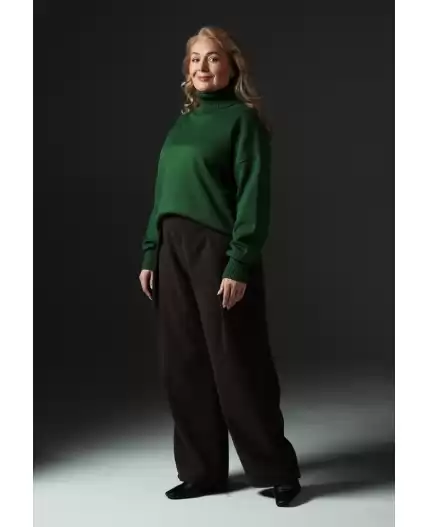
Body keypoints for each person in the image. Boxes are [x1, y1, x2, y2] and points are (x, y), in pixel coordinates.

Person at [138, 26, 301, 507]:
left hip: (217, 248)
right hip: (171, 249)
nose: (202, 67)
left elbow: (254, 195)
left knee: (237, 360)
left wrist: (239, 260)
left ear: (232, 66)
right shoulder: (182, 124)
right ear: (187, 69)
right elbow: (163, 194)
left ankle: (275, 468)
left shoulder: (242, 121)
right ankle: (202, 471)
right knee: (183, 363)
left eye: (212, 58)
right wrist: (150, 251)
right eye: (195, 59)